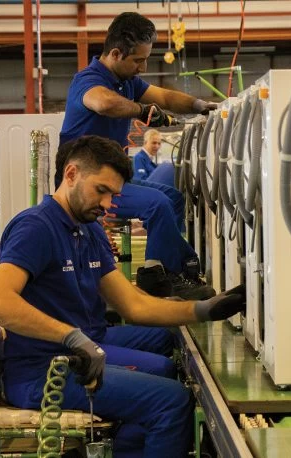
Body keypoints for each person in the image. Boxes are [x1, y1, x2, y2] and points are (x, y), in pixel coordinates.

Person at [0, 134, 246, 458]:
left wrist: (204, 310)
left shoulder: (88, 228)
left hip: (82, 348)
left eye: (113, 195)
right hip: (43, 371)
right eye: (101, 190)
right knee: (172, 401)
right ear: (71, 174)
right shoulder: (35, 228)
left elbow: (132, 305)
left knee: (165, 358)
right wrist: (71, 336)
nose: (108, 205)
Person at [59, 11, 216, 300]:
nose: (143, 67)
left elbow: (165, 97)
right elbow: (103, 103)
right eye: (137, 60)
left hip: (113, 179)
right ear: (115, 54)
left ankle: (163, 270)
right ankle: (164, 278)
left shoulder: (128, 82)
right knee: (157, 204)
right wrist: (143, 111)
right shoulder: (88, 80)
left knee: (173, 198)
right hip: (87, 185)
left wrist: (201, 106)